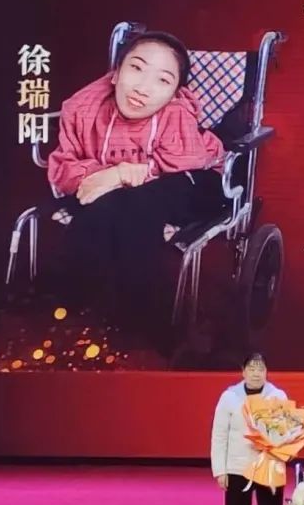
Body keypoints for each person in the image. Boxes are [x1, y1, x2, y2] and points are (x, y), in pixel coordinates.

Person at [44, 30, 228, 354]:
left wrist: (121, 174)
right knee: (104, 209)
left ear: (174, 93)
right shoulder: (84, 109)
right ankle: (77, 320)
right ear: (115, 74)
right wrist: (109, 176)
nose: (143, 88)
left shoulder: (176, 113)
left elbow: (187, 160)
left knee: (136, 205)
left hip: (193, 181)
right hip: (121, 196)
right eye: (136, 68)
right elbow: (64, 169)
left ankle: (142, 329)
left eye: (163, 80)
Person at [211, 352, 287, 505]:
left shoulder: (277, 396)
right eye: (251, 369)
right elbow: (219, 435)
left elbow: (286, 432)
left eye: (261, 369)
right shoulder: (229, 397)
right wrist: (220, 470)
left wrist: (271, 443)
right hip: (237, 467)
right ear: (243, 371)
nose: (256, 373)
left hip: (269, 465)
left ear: (267, 372)